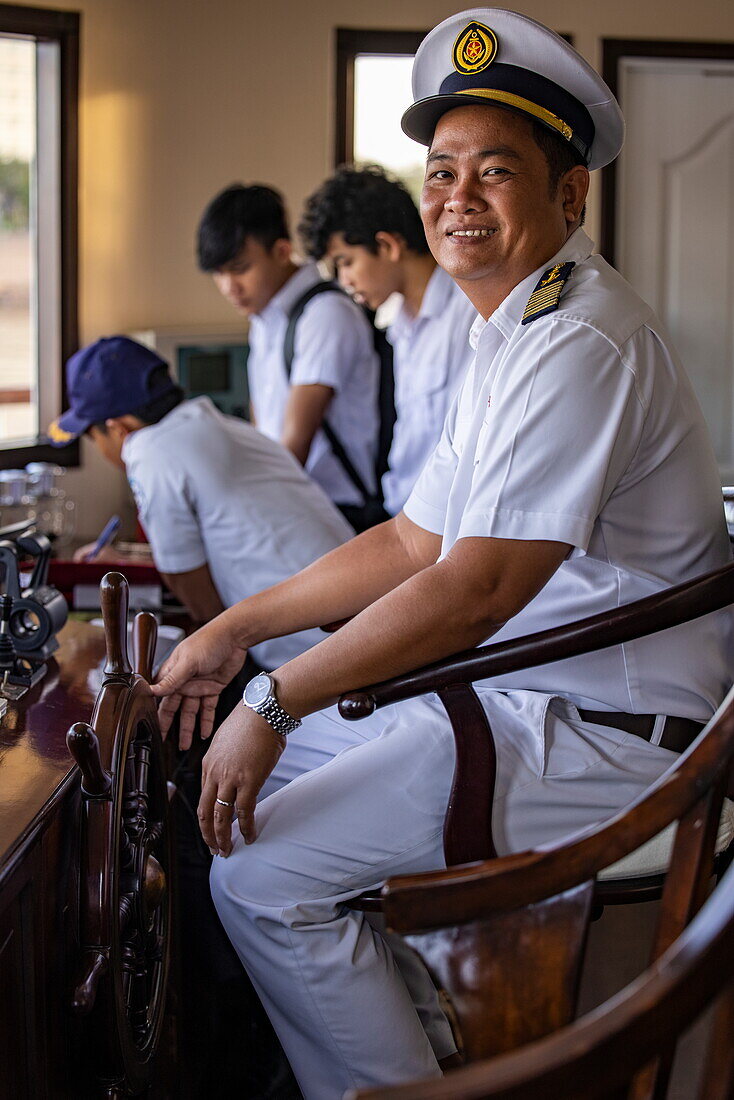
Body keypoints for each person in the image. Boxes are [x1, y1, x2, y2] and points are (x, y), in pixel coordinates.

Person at [151, 10, 732, 1098]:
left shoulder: (577, 337)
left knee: (260, 874)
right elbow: (410, 538)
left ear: (570, 196)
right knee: (261, 786)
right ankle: (407, 1026)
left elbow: (471, 588)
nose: (456, 198)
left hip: (603, 732)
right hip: (529, 690)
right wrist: (233, 631)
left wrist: (270, 698)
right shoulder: (504, 328)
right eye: (441, 171)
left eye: (495, 172)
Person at [47, 335, 354, 682]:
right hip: (357, 621)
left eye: (94, 437)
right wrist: (127, 560)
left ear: (118, 429)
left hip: (309, 654)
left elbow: (189, 582)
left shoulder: (151, 451)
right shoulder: (222, 427)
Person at [197, 183, 383, 531]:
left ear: (282, 251)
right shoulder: (263, 321)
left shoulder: (325, 314)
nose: (228, 287)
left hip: (339, 514)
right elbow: (262, 428)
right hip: (292, 505)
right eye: (219, 273)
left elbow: (293, 446)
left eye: (239, 268)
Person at [300, 165, 476, 515]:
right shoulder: (400, 329)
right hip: (403, 515)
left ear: (387, 245)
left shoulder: (469, 312)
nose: (344, 281)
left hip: (448, 525)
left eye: (345, 262)